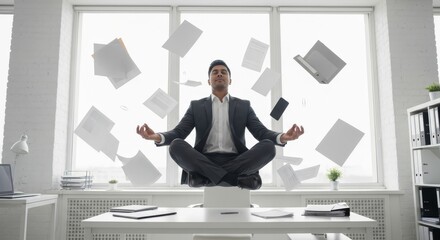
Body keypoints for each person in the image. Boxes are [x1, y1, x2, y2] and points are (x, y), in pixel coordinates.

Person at [137, 60, 304, 190]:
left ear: (230, 80)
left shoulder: (243, 106)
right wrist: (156, 136)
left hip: (237, 160)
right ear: (209, 80)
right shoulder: (196, 106)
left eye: (223, 72)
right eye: (215, 72)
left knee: (268, 146)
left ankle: (207, 178)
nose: (219, 74)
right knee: (175, 145)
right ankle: (232, 179)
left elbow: (261, 132)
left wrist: (283, 137)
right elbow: (179, 132)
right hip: (204, 159)